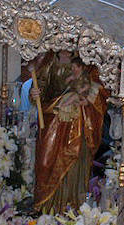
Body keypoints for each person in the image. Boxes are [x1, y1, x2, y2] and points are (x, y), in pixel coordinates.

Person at [32, 49, 108, 213]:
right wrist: (35, 94)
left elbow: (100, 89)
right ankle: (47, 207)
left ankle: (72, 207)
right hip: (53, 121)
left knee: (75, 164)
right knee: (46, 162)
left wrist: (82, 96)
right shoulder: (49, 61)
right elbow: (39, 89)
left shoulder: (87, 62)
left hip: (78, 124)